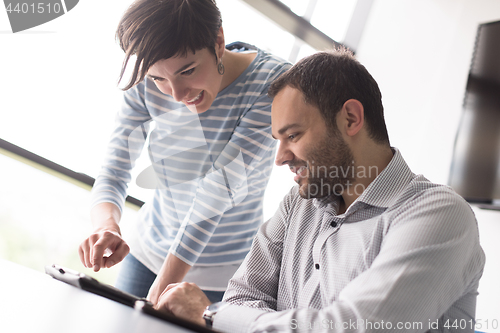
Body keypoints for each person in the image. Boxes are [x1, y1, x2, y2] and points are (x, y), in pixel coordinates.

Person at [154, 48, 486, 332]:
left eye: (293, 136)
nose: (281, 158)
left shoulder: (439, 214)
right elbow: (240, 298)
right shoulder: (297, 205)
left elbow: (352, 328)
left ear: (351, 118)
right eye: (278, 140)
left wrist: (212, 315)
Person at [78, 0, 291, 304]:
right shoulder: (146, 73)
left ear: (218, 41)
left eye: (188, 71)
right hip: (148, 251)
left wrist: (153, 301)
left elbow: (217, 193)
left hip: (224, 275)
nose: (176, 94)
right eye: (158, 79)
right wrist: (106, 225)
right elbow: (115, 167)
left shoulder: (271, 83)